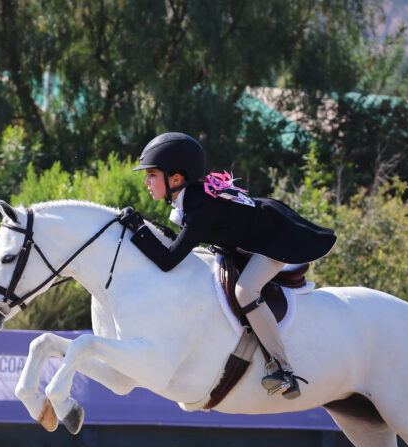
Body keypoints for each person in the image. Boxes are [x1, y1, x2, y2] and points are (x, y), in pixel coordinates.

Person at [126, 132, 336, 399]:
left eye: (152, 175)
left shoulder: (200, 208)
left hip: (277, 237)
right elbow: (178, 242)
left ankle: (284, 370)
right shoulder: (189, 199)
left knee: (245, 291)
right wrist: (141, 227)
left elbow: (168, 260)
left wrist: (139, 229)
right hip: (255, 232)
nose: (146, 181)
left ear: (176, 178)